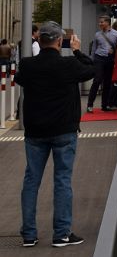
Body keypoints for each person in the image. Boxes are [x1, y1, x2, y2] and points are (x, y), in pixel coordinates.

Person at [14, 20, 95, 248]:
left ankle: (29, 235)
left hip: (35, 132)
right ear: (60, 41)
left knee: (31, 180)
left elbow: (19, 79)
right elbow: (91, 70)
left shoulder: (27, 65)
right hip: (63, 130)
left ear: (38, 40)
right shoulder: (69, 64)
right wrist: (77, 51)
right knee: (62, 181)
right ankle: (61, 234)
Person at [86, 16, 117, 113]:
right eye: (99, 22)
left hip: (110, 60)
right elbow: (94, 48)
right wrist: (91, 60)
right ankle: (90, 105)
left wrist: (114, 53)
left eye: (102, 22)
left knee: (108, 83)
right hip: (99, 58)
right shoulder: (97, 34)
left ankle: (105, 105)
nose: (100, 24)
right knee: (97, 80)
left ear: (108, 23)